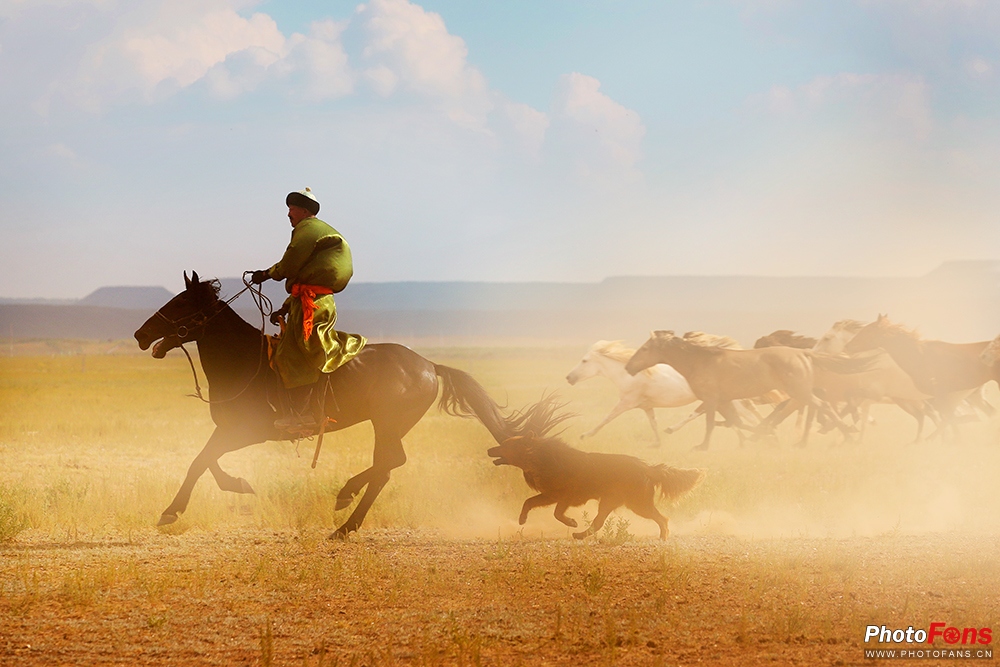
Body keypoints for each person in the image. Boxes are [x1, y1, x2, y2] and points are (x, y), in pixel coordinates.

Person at [251, 187, 366, 432]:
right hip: (307, 300)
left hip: (314, 304)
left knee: (293, 354)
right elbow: (301, 279)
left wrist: (267, 274)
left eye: (291, 209)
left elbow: (291, 262)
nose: (288, 215)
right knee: (287, 351)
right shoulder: (313, 231)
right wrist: (284, 308)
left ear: (303, 210)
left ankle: (303, 415)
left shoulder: (307, 229)